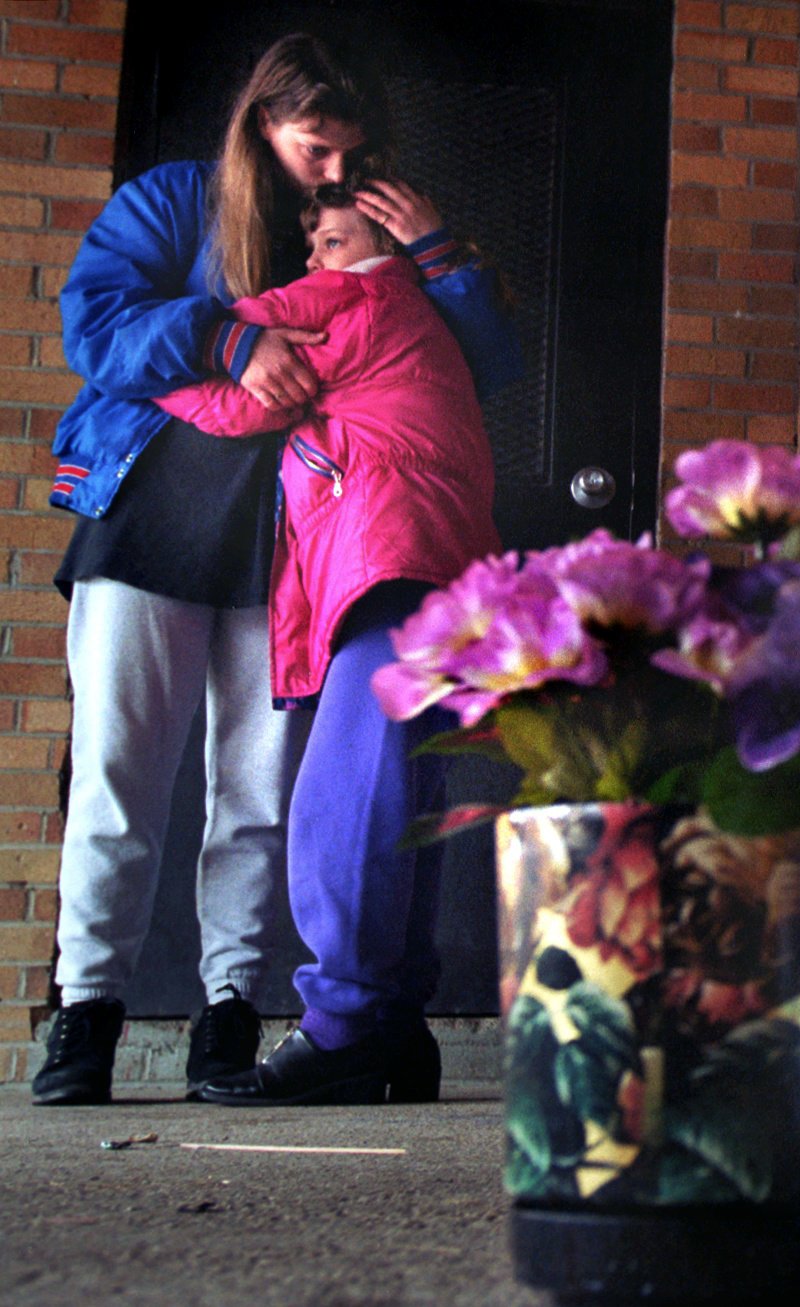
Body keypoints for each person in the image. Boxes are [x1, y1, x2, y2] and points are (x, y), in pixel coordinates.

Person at [33, 32, 521, 1106]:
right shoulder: (179, 200)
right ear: (263, 124)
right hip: (150, 519)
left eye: (351, 150)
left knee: (257, 793)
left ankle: (230, 1011)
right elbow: (94, 325)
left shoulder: (374, 221)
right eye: (314, 148)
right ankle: (85, 1009)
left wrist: (437, 251)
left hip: (292, 544)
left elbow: (474, 364)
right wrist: (226, 343)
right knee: (118, 774)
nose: (334, 172)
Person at [147, 189, 503, 1107]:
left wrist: (148, 380)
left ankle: (343, 1027)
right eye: (311, 247)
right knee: (407, 800)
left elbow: (232, 393)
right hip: (441, 565)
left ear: (385, 247)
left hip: (390, 559)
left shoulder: (357, 296)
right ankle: (397, 1028)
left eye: (332, 239)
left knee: (344, 797)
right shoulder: (428, 318)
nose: (312, 262)